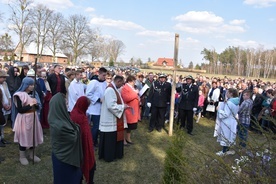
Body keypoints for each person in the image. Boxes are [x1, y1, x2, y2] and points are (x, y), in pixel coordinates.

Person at [48, 93, 83, 184]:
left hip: (66, 158)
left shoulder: (61, 118)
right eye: (65, 103)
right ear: (59, 106)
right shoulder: (59, 125)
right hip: (65, 159)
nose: (67, 105)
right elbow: (73, 138)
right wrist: (77, 128)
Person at [13, 77, 43, 165]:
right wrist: (30, 105)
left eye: (33, 85)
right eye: (30, 85)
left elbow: (38, 107)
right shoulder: (19, 95)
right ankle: (22, 156)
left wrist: (36, 105)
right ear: (25, 85)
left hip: (33, 117)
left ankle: (32, 154)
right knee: (24, 136)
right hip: (24, 118)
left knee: (33, 136)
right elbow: (20, 110)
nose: (32, 86)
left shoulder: (34, 94)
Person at [98, 75, 127, 162]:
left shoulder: (114, 89)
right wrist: (122, 107)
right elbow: (111, 106)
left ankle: (115, 154)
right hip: (109, 119)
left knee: (113, 137)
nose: (122, 85)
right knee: (109, 140)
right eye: (121, 83)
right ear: (118, 81)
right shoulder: (110, 90)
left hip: (112, 118)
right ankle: (109, 156)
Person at [70, 96, 96, 184]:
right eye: (86, 106)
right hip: (81, 146)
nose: (87, 108)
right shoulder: (78, 116)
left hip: (83, 145)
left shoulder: (77, 112)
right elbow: (82, 133)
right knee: (86, 164)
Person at [214, 88, 239, 156]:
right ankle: (228, 149)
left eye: (227, 93)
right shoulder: (237, 101)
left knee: (225, 135)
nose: (226, 94)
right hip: (233, 120)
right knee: (230, 135)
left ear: (231, 93)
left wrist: (219, 110)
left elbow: (226, 114)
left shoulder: (230, 102)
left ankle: (224, 151)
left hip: (227, 121)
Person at [86, 67, 107, 147]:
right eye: (103, 75)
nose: (104, 77)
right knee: (95, 126)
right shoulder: (93, 82)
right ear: (99, 73)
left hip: (102, 107)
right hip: (94, 108)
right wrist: (98, 99)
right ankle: (92, 143)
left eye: (105, 75)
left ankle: (96, 141)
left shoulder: (104, 83)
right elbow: (88, 94)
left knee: (99, 126)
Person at [121, 75, 140, 145]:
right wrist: (135, 94)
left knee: (130, 126)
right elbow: (126, 98)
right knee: (126, 126)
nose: (134, 83)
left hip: (133, 110)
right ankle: (124, 140)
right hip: (128, 110)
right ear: (129, 81)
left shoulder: (132, 88)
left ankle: (128, 138)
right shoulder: (125, 88)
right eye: (133, 81)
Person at [0, 70, 11, 147]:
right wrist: (3, 105)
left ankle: (2, 138)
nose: (4, 79)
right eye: (3, 77)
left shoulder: (5, 84)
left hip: (6, 105)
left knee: (3, 123)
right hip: (1, 106)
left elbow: (8, 94)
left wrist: (9, 103)